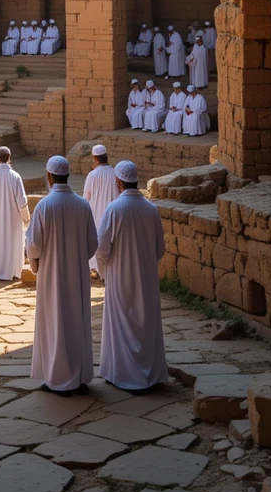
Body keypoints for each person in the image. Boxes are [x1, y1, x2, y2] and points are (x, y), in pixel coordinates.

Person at [26, 155, 98, 394]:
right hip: (76, 276)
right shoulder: (82, 205)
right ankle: (77, 376)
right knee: (76, 322)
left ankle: (56, 376)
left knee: (54, 322)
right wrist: (75, 259)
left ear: (49, 176)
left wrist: (36, 262)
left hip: (51, 276)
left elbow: (34, 245)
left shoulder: (45, 206)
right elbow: (92, 243)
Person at [96, 159, 167, 391]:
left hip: (119, 276)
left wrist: (105, 270)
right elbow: (160, 249)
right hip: (146, 278)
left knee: (121, 325)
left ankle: (122, 373)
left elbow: (102, 249)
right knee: (146, 324)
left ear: (118, 181)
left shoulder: (114, 209)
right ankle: (149, 373)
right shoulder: (151, 209)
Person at [0, 147, 30, 281]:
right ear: (9, 158)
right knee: (11, 244)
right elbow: (22, 201)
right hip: (12, 220)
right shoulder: (15, 176)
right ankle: (11, 271)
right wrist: (26, 218)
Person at [82, 144, 118, 275]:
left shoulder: (92, 175)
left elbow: (86, 198)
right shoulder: (115, 173)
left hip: (96, 215)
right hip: (113, 215)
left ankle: (96, 269)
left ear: (95, 159)